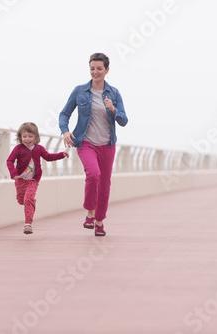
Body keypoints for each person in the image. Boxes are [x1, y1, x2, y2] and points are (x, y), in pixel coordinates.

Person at [59, 52, 128, 237]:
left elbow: (124, 120)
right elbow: (64, 113)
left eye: (99, 68)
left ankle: (99, 222)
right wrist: (65, 131)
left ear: (106, 70)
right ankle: (89, 212)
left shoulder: (113, 93)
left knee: (105, 185)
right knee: (94, 174)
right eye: (92, 68)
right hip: (85, 142)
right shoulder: (80, 91)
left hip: (107, 144)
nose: (95, 72)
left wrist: (113, 109)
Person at [7, 122, 69, 234]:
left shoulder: (39, 148)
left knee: (28, 199)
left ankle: (28, 224)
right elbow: (10, 161)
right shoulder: (18, 148)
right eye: (24, 136)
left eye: (30, 136)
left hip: (33, 180)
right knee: (21, 201)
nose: (27, 139)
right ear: (20, 137)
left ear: (36, 137)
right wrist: (13, 173)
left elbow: (48, 157)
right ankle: (30, 201)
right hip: (20, 180)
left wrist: (61, 155)